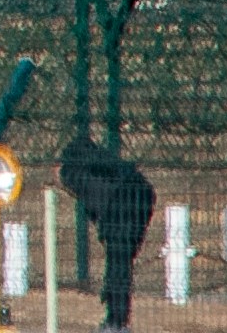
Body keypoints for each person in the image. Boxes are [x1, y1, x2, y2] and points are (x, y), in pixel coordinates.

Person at [64, 135, 158, 331]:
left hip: (121, 204)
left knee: (118, 265)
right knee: (120, 264)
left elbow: (94, 207)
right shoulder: (106, 164)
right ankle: (116, 318)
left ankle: (117, 322)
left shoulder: (73, 172)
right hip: (142, 194)